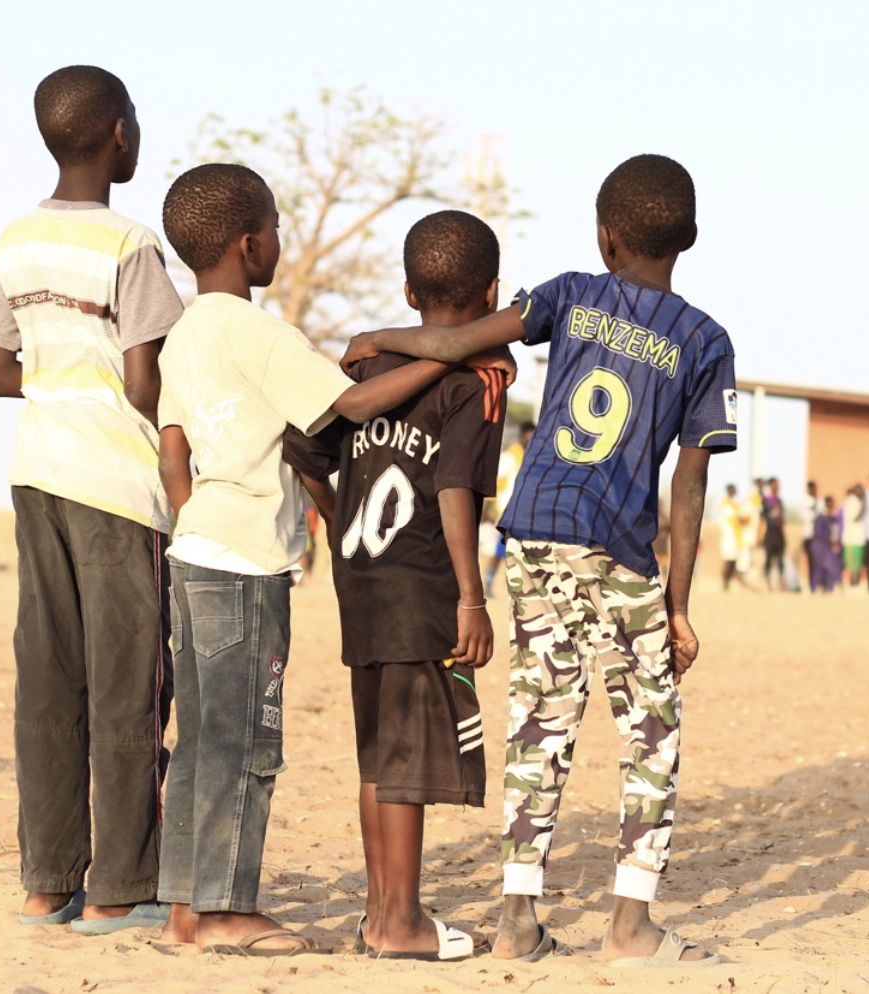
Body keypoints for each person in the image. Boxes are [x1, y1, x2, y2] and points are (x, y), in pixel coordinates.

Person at [340, 154, 735, 967]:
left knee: (539, 726)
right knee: (649, 733)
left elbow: (452, 342)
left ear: (605, 236)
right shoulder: (705, 341)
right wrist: (679, 604)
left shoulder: (570, 293)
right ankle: (631, 925)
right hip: (620, 547)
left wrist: (380, 336)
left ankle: (519, 919)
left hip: (536, 532)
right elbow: (689, 482)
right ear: (689, 238)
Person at [154, 166, 489, 956]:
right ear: (250, 243)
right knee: (244, 742)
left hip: (193, 552)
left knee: (200, 738)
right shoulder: (260, 334)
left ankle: (183, 912)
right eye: (274, 224)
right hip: (244, 564)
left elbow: (173, 453)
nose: (279, 236)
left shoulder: (185, 335)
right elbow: (357, 404)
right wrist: (450, 358)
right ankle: (227, 911)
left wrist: (191, 524)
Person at [0, 66, 182, 933]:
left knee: (50, 682)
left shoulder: (13, 240)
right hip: (116, 485)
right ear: (119, 135)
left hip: (37, 471)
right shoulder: (130, 244)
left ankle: (45, 883)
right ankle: (117, 888)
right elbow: (146, 385)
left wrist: (63, 379)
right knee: (128, 682)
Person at [285, 210, 507, 961]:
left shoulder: (365, 369)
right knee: (406, 765)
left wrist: (339, 517)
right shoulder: (475, 382)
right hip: (419, 589)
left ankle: (380, 914)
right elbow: (454, 489)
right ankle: (400, 921)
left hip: (361, 582)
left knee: (378, 759)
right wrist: (471, 596)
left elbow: (306, 451)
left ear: (408, 295)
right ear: (493, 294)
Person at [483, 421, 536, 595]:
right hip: (506, 510)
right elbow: (495, 480)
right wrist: (490, 508)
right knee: (500, 551)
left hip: (522, 513)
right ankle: (489, 582)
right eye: (529, 434)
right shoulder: (511, 456)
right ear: (523, 434)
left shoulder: (530, 456)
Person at [810, 494, 843, 593]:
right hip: (820, 546)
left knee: (831, 567)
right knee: (819, 568)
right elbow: (819, 533)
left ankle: (828, 589)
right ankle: (815, 589)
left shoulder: (833, 519)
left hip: (828, 547)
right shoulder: (821, 518)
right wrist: (831, 542)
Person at [718, 483, 748, 590]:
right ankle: (725, 582)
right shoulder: (725, 503)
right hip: (728, 535)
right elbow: (733, 518)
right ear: (729, 490)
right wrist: (743, 519)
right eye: (733, 489)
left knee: (734, 559)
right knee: (728, 559)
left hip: (736, 536)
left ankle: (730, 581)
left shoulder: (735, 504)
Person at [760, 477, 786, 591]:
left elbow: (782, 517)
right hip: (769, 532)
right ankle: (767, 585)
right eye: (775, 485)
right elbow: (762, 518)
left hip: (778, 533)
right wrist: (760, 535)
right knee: (768, 559)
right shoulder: (765, 500)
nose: (777, 487)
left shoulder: (779, 500)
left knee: (780, 559)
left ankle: (781, 585)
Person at [842, 483, 866, 588]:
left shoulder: (853, 501)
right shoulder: (853, 501)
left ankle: (854, 583)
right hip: (853, 536)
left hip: (855, 537)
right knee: (853, 562)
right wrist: (863, 506)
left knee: (855, 562)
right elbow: (855, 517)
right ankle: (853, 583)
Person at [801, 480, 822, 593]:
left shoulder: (820, 501)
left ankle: (819, 584)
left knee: (819, 562)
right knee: (810, 561)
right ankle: (811, 586)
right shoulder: (805, 502)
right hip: (808, 536)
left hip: (819, 538)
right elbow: (805, 517)